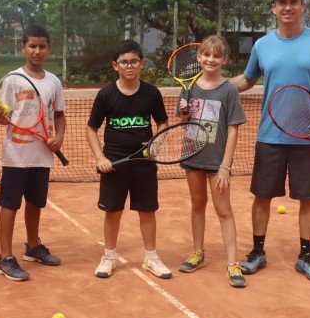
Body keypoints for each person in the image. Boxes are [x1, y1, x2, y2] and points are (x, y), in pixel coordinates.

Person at [230, 0, 310, 283]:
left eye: (294, 1)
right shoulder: (262, 45)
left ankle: (305, 255)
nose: (288, 7)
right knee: (262, 196)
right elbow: (248, 80)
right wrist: (215, 87)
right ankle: (258, 252)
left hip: (309, 137)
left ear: (302, 6)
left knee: (308, 198)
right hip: (270, 135)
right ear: (274, 8)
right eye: (282, 2)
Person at [87, 40, 170, 279]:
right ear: (115, 65)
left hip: (144, 164)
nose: (129, 65)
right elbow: (91, 128)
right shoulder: (106, 95)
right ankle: (109, 256)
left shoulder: (152, 93)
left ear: (142, 63)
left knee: (147, 211)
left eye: (134, 61)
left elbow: (162, 122)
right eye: (124, 62)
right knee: (112, 212)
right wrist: (100, 157)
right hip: (114, 164)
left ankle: (151, 257)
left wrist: (156, 144)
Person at [0, 25, 65, 281]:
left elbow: (60, 115)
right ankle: (5, 257)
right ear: (23, 47)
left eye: (42, 46)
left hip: (42, 155)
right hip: (16, 156)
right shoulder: (12, 80)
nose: (37, 50)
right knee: (9, 204)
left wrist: (59, 137)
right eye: (32, 45)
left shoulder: (53, 81)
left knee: (35, 203)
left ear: (48, 48)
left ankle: (33, 246)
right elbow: (5, 120)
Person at [175, 35, 247, 288]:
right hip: (193, 156)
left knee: (223, 211)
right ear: (199, 57)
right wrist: (184, 113)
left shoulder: (229, 91)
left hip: (218, 163)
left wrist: (226, 166)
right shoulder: (188, 88)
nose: (211, 59)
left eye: (217, 56)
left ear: (224, 60)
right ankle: (198, 253)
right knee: (197, 205)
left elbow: (234, 129)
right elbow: (182, 122)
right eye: (206, 55)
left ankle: (232, 264)